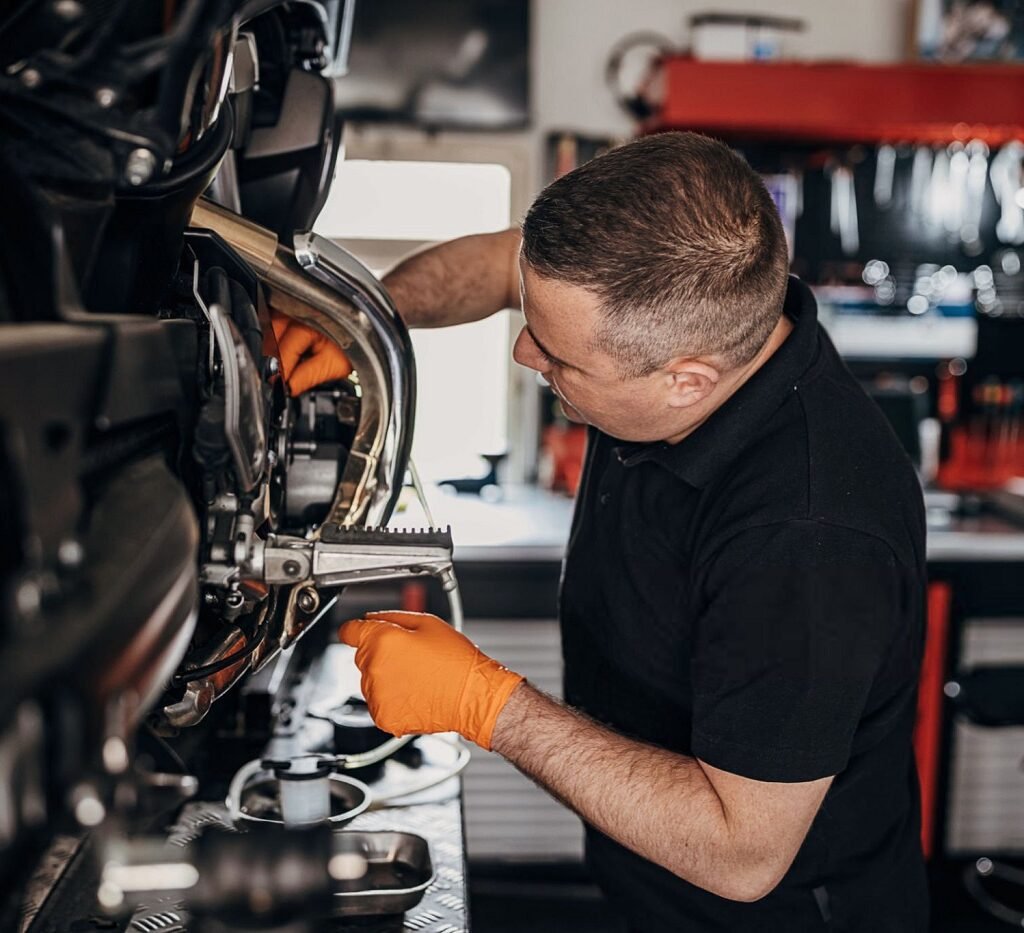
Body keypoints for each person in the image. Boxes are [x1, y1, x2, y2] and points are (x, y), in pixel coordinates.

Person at [278, 131, 929, 932]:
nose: (523, 350)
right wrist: (365, 320)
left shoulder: (807, 535)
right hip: (647, 891)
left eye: (557, 358)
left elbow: (741, 851)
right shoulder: (672, 304)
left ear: (686, 380)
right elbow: (499, 266)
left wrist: (486, 702)